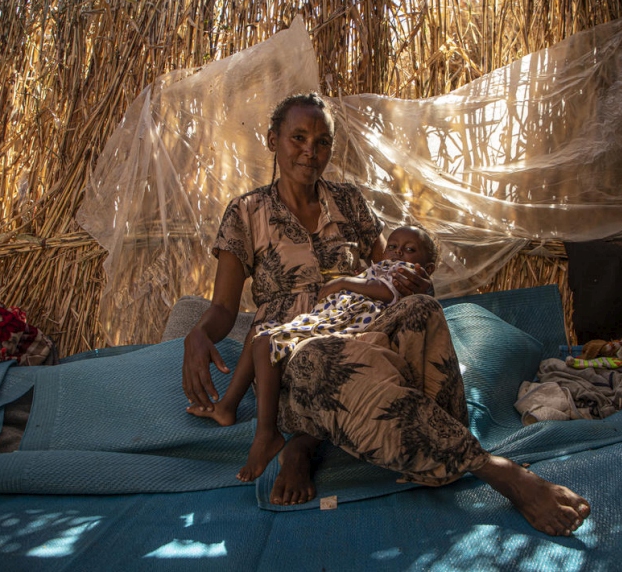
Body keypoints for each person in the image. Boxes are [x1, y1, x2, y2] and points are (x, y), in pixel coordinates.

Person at [182, 92, 590, 537]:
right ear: (272, 139)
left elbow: (389, 272)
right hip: (293, 344)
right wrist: (199, 333)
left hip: (360, 321)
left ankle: (328, 437)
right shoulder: (245, 211)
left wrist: (415, 283)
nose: (309, 151)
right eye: (298, 137)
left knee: (421, 311)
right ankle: (499, 472)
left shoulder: (349, 201)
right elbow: (223, 307)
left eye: (321, 141)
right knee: (323, 364)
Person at [188, 225, 439, 482]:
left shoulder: (405, 272)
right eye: (392, 247)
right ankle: (228, 406)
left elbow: (389, 291)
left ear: (427, 268)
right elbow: (221, 306)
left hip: (347, 326)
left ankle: (268, 434)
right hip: (326, 318)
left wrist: (344, 282)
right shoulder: (247, 212)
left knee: (267, 343)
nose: (397, 253)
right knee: (259, 337)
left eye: (409, 250)